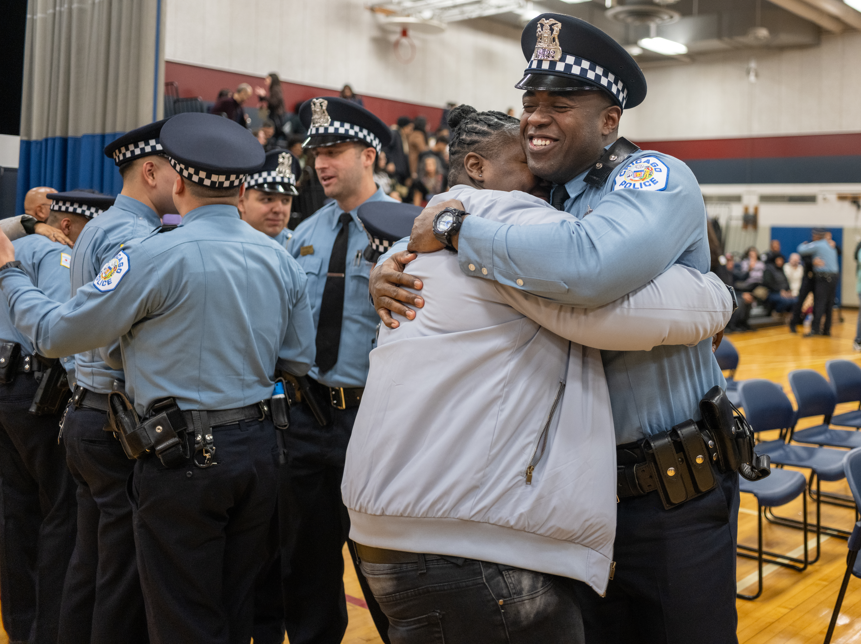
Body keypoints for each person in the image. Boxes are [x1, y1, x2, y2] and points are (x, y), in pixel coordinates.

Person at [372, 13, 745, 644]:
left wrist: (459, 233)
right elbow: (433, 224)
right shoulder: (539, 199)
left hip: (671, 497)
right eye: (530, 102)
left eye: (560, 103)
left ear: (609, 121)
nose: (536, 117)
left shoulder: (652, 177)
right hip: (570, 501)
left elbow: (588, 267)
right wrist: (389, 267)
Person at [0, 112, 315, 643]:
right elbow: (298, 360)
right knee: (233, 605)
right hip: (259, 450)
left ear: (180, 182)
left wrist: (9, 273)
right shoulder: (280, 260)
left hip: (182, 456)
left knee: (180, 613)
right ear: (241, 189)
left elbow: (56, 334)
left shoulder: (151, 255)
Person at [54, 119, 175, 644]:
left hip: (89, 409)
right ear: (151, 171)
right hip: (114, 417)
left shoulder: (103, 225)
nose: (187, 179)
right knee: (121, 575)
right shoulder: (133, 235)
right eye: (178, 170)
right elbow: (117, 340)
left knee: (91, 562)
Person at [282, 96, 395, 644]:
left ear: (368, 154)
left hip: (373, 418)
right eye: (315, 153)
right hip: (308, 414)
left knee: (385, 563)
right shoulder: (303, 232)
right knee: (306, 561)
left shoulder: (404, 231)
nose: (321, 162)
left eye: (333, 150)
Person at [0, 190, 109, 644]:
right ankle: (49, 632)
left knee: (13, 513)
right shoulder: (56, 256)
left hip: (5, 391)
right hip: (40, 394)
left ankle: (20, 626)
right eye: (89, 231)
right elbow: (56, 333)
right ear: (67, 226)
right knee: (61, 513)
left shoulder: (11, 249)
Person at [239, 148, 298, 248]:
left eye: (285, 201)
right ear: (241, 203)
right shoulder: (227, 247)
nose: (278, 209)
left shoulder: (299, 245)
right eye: (268, 199)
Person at [799, 228, 840, 337]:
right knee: (829, 304)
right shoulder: (831, 245)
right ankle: (826, 330)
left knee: (819, 303)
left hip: (823, 278)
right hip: (834, 278)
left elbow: (801, 249)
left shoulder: (818, 244)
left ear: (817, 236)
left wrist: (805, 244)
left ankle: (815, 329)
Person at [256, 73, 288, 147]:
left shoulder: (275, 89)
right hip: (275, 115)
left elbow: (274, 102)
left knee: (272, 134)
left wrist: (264, 96)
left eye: (267, 78)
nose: (266, 80)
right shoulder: (274, 89)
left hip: (276, 116)